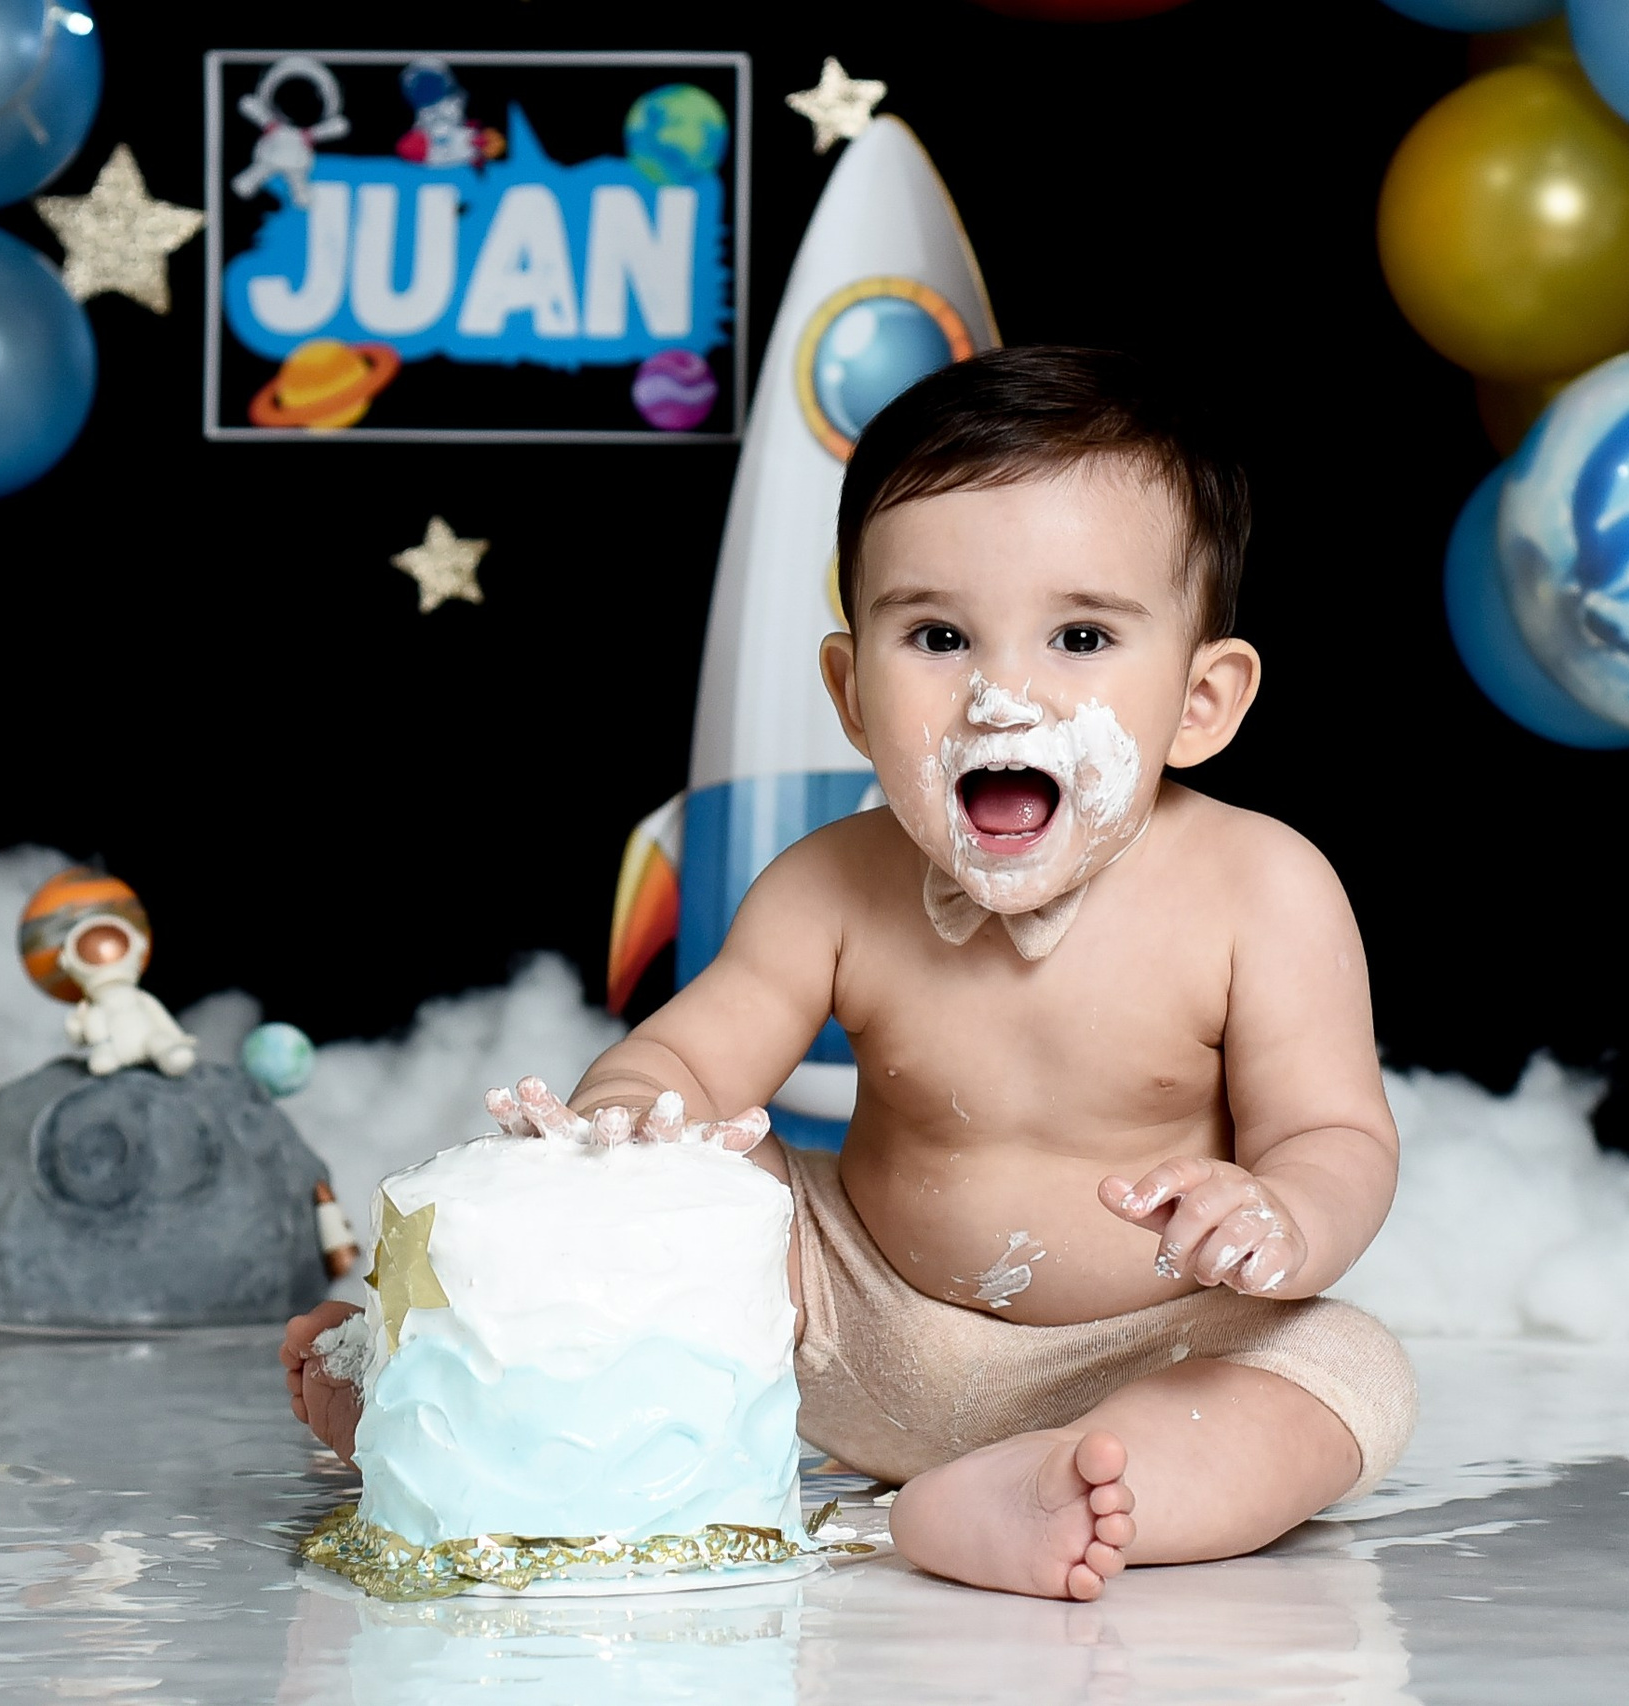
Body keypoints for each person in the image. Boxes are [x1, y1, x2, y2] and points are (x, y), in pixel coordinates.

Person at [281, 346, 1414, 1601]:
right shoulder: (831, 881)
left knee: (1340, 1377)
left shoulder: (1263, 889)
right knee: (695, 1178)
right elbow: (692, 1054)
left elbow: (1332, 1130)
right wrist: (626, 1123)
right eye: (936, 635)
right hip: (847, 1313)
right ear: (851, 692)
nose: (1001, 694)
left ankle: (1034, 1488)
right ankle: (443, 1406)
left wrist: (1280, 1218)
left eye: (1081, 635)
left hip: (1152, 1345)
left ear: (1202, 698)